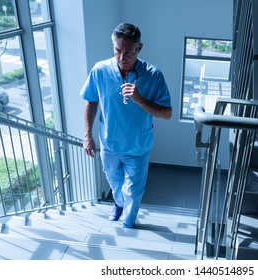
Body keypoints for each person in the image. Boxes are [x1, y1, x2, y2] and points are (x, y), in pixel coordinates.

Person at [81, 22, 172, 228]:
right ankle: (119, 204)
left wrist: (140, 99)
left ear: (139, 48)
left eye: (128, 52)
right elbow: (91, 101)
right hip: (109, 145)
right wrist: (87, 134)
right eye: (117, 51)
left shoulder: (154, 75)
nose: (122, 58)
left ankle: (128, 225)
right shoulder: (100, 70)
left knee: (133, 191)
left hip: (138, 147)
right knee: (115, 184)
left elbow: (166, 113)